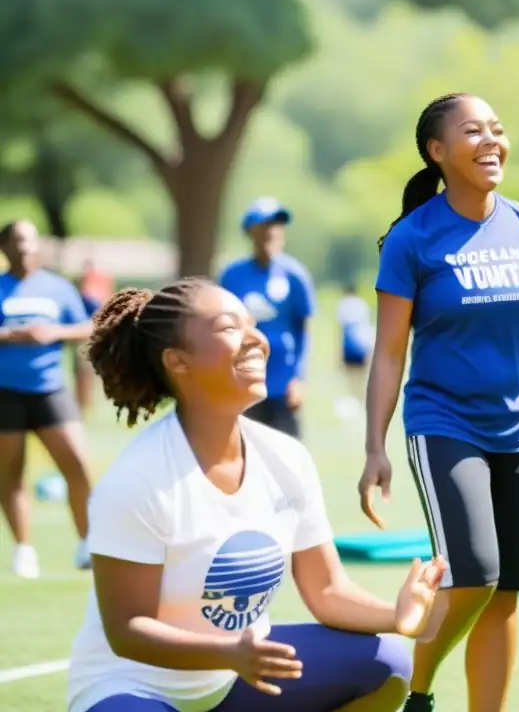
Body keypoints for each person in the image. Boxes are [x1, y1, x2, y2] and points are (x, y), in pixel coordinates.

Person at [67, 277, 446, 712]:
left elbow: (326, 590)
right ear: (178, 361)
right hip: (135, 689)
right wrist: (226, 653)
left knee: (386, 665)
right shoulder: (140, 478)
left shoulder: (286, 458)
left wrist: (399, 616)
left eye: (254, 324)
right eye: (231, 327)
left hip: (235, 677)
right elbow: (127, 630)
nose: (258, 340)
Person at [359, 93, 519, 712]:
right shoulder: (411, 240)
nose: (490, 141)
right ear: (437, 151)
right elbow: (389, 353)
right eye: (472, 131)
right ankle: (415, 689)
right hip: (445, 425)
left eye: (497, 130)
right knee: (477, 573)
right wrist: (375, 447)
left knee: (506, 594)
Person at [0, 219, 94, 578]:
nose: (25, 248)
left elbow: (86, 326)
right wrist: (14, 335)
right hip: (6, 392)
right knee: (10, 474)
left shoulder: (57, 288)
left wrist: (55, 331)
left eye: (30, 241)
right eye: (17, 242)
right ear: (5, 247)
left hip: (50, 389)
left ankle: (87, 542)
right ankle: (24, 549)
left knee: (78, 466)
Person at [219, 197, 315, 439]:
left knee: (289, 456)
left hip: (283, 385)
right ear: (251, 231)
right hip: (245, 382)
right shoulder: (232, 276)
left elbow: (303, 330)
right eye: (265, 225)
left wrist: (298, 378)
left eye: (277, 225)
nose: (272, 231)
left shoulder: (295, 275)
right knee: (246, 454)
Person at [74, 258, 115, 415]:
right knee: (84, 370)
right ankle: (83, 402)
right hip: (85, 334)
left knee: (91, 370)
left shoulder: (96, 288)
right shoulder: (85, 291)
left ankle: (86, 401)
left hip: (95, 334)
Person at [336, 284, 374, 412]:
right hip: (363, 345)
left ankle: (356, 405)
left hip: (349, 346)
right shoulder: (362, 305)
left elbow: (342, 330)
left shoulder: (343, 305)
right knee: (363, 379)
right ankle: (364, 406)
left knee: (351, 379)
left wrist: (338, 354)